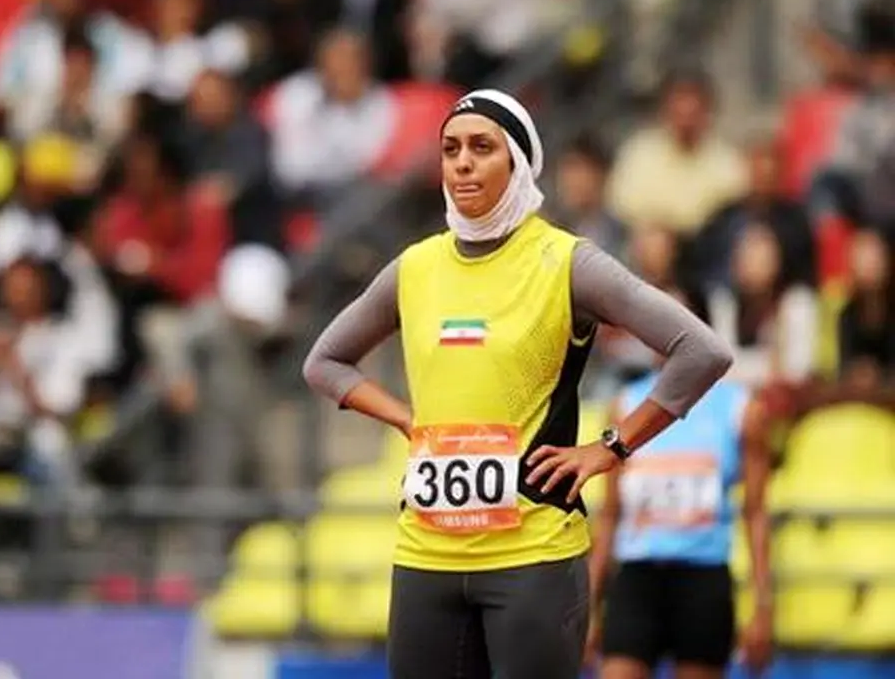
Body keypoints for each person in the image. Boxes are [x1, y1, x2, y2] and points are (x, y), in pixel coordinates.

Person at [302, 89, 734, 679]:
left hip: (532, 555)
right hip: (426, 554)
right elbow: (325, 362)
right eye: (450, 149)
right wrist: (405, 418)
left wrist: (611, 447)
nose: (462, 163)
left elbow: (701, 350)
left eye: (482, 148)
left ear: (520, 161)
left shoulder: (567, 262)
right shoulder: (415, 267)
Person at [587, 360, 773, 678]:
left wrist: (763, 607)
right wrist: (589, 605)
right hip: (637, 577)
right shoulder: (625, 405)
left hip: (703, 578)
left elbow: (755, 513)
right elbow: (610, 514)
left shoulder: (741, 408)